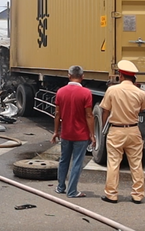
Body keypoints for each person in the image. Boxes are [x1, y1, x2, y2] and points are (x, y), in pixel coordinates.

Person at [100, 60, 145, 204]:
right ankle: (138, 195)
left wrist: (103, 128)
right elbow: (142, 108)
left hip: (116, 130)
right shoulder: (140, 92)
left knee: (114, 163)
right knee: (136, 163)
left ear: (120, 76)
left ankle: (112, 194)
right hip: (133, 130)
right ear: (134, 78)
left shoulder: (112, 90)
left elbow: (105, 110)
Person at [50, 65, 94, 198]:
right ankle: (72, 191)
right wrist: (92, 134)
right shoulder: (86, 93)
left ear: (68, 75)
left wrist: (56, 131)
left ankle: (60, 187)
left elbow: (57, 114)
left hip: (66, 133)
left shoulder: (61, 92)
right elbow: (89, 116)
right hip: (81, 135)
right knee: (77, 162)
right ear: (83, 77)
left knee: (64, 160)